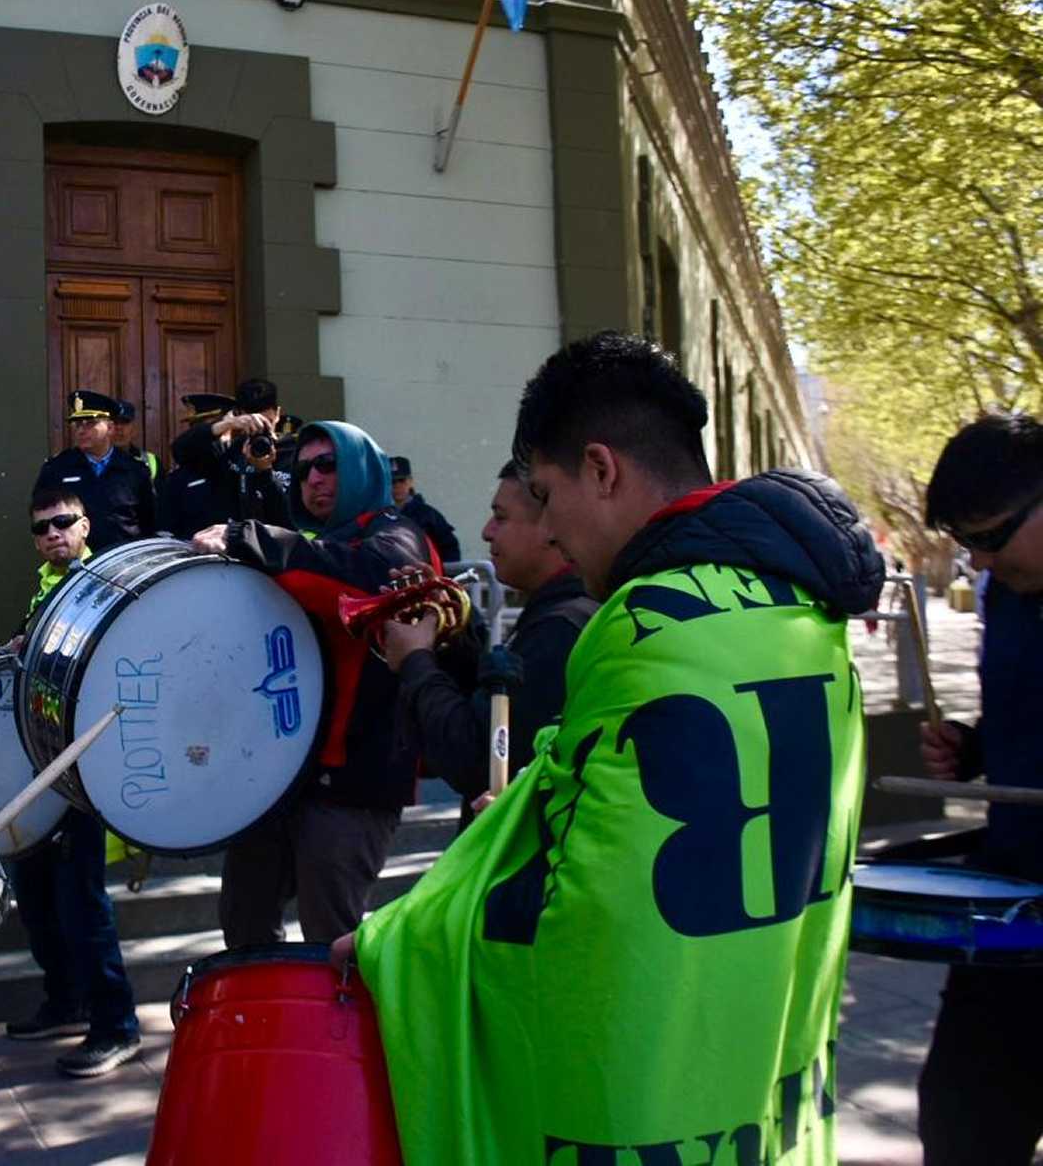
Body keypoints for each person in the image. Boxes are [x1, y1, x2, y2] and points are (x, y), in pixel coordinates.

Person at [334, 331, 881, 1163]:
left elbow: (590, 915)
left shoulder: (645, 619)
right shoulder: (799, 601)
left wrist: (396, 941)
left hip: (658, 1108)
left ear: (601, 468)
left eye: (546, 496)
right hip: (769, 1065)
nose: (550, 530)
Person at [190, 421, 433, 947]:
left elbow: (366, 583)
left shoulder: (397, 536)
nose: (313, 479)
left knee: (333, 938)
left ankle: (346, 1033)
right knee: (245, 920)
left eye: (329, 465)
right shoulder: (315, 543)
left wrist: (246, 537)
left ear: (363, 468)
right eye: (302, 469)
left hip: (354, 781)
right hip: (284, 776)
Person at [916, 413, 1043, 1164]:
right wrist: (972, 747)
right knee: (962, 1123)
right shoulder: (1007, 594)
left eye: (993, 536)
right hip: (1012, 904)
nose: (984, 561)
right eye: (970, 547)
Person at [2, 487, 142, 1077]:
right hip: (45, 759)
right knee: (36, 893)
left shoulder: (101, 584)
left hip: (83, 769)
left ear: (86, 526)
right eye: (43, 528)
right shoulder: (46, 586)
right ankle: (65, 1001)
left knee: (81, 902)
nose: (54, 534)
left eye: (64, 522)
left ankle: (117, 1025)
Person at [381, 460, 596, 823]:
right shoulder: (561, 614)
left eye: (501, 517)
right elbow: (492, 714)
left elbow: (477, 757)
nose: (486, 532)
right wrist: (454, 634)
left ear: (551, 527)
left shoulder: (561, 627)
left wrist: (416, 660)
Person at [160, 383, 293, 539]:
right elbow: (181, 449)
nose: (260, 429)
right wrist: (224, 425)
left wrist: (265, 472)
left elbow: (289, 517)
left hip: (277, 547)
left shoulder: (293, 453)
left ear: (277, 413)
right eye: (253, 422)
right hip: (235, 548)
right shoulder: (229, 453)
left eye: (266, 421)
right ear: (241, 415)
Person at [34, 389, 156, 552]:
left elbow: (150, 521)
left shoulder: (135, 469)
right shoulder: (57, 468)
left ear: (110, 428)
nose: (81, 430)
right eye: (78, 424)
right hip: (74, 562)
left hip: (124, 562)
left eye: (90, 423)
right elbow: (41, 516)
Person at [388, 455, 462, 563]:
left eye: (401, 480)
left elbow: (450, 548)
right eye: (392, 482)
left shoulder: (429, 515)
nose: (397, 486)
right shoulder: (379, 516)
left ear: (410, 482)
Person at [111, 399, 158, 482]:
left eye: (124, 422)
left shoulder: (151, 462)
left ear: (134, 429)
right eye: (114, 422)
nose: (119, 428)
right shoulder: (91, 461)